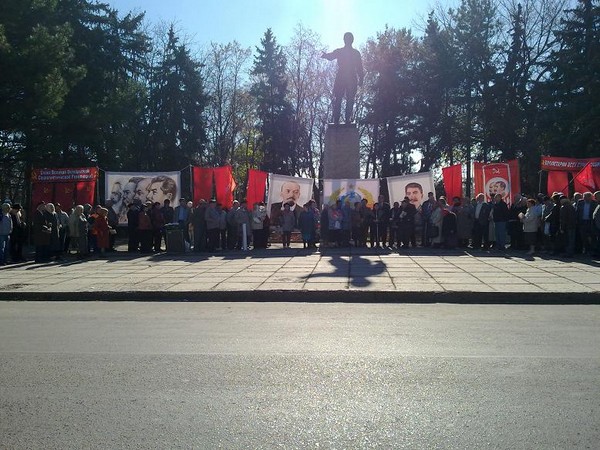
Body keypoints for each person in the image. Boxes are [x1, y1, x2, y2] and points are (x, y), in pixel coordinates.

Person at [321, 32, 364, 124]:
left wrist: (361, 78)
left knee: (350, 99)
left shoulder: (355, 53)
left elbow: (359, 67)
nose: (347, 40)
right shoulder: (340, 51)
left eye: (349, 39)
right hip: (342, 76)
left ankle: (347, 119)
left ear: (352, 40)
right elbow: (331, 56)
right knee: (338, 98)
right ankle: (336, 119)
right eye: (346, 39)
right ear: (344, 40)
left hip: (351, 77)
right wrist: (326, 56)